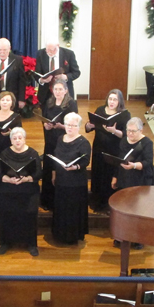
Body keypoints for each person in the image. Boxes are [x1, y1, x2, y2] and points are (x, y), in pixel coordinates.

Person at [0, 127, 42, 256]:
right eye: (14, 138)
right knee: (7, 216)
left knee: (29, 216)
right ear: (10, 140)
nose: (17, 141)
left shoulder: (33, 153)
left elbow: (38, 172)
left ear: (24, 139)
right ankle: (5, 243)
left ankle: (31, 244)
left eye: (20, 138)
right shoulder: (4, 153)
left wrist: (27, 178)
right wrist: (8, 180)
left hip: (28, 190)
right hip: (8, 190)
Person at [85, 89, 130, 212]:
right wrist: (88, 126)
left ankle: (109, 204)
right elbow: (89, 126)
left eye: (115, 99)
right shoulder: (100, 110)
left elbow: (125, 135)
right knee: (98, 174)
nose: (111, 102)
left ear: (119, 101)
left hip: (114, 149)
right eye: (110, 99)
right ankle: (97, 201)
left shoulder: (124, 115)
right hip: (99, 148)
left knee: (109, 175)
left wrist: (114, 131)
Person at [51, 112, 91, 244]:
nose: (70, 127)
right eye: (68, 124)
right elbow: (56, 156)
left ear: (78, 126)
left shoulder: (84, 143)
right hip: (62, 179)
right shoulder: (60, 138)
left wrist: (75, 167)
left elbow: (85, 162)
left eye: (73, 125)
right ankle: (60, 234)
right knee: (61, 207)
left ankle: (73, 236)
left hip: (76, 182)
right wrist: (54, 173)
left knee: (73, 209)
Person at [40, 77, 79, 210]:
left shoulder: (71, 104)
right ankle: (47, 200)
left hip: (64, 140)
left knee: (60, 168)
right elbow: (44, 119)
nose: (57, 92)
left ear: (66, 90)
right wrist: (46, 125)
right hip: (50, 139)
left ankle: (59, 201)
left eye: (60, 89)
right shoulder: (49, 102)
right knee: (48, 166)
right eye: (55, 89)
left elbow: (74, 124)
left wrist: (61, 126)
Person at [111, 117, 154, 190]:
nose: (130, 133)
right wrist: (115, 176)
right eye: (128, 130)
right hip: (125, 178)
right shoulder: (124, 141)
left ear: (141, 131)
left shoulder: (147, 143)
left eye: (133, 131)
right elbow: (120, 160)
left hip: (141, 179)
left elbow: (148, 162)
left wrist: (134, 165)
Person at [34, 39, 80, 106]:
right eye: (47, 50)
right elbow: (37, 73)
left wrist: (65, 77)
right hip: (46, 92)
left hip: (64, 92)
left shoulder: (69, 54)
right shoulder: (40, 53)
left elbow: (76, 72)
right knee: (46, 115)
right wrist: (42, 80)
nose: (49, 52)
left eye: (52, 50)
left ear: (58, 46)